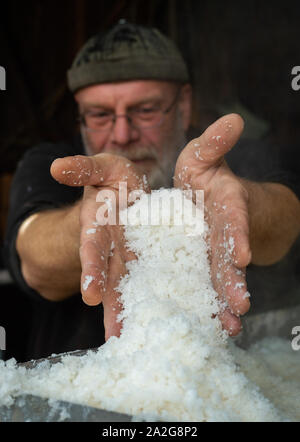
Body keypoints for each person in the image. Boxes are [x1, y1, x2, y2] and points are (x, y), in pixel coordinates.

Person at [4, 22, 300, 360]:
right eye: (99, 115)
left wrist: (244, 204)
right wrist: (89, 224)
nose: (121, 134)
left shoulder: (231, 158)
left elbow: (288, 216)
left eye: (145, 111)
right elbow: (31, 255)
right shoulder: (47, 162)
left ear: (184, 104)